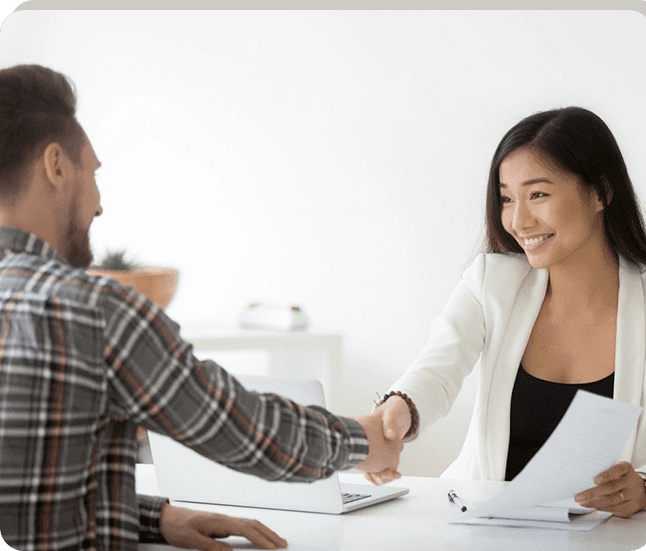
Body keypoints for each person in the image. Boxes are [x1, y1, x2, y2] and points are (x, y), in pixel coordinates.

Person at [0, 64, 403, 551]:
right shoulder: (87, 311)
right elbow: (242, 428)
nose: (100, 204)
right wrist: (367, 441)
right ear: (56, 166)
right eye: (94, 172)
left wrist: (156, 517)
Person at [370, 106, 646, 519]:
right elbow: (437, 369)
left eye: (538, 194)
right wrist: (399, 409)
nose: (518, 220)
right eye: (506, 199)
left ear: (600, 192)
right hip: (484, 529)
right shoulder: (492, 282)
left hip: (610, 538)